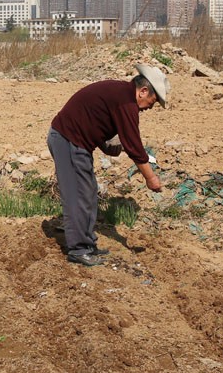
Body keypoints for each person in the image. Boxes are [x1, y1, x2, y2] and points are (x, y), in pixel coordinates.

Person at [48, 65, 168, 266]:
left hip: (75, 142)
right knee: (78, 195)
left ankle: (87, 245)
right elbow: (133, 145)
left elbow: (96, 122)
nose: (149, 107)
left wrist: (108, 145)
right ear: (144, 91)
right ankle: (78, 250)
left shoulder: (120, 95)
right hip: (67, 140)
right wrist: (151, 178)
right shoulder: (126, 102)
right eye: (152, 102)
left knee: (88, 192)